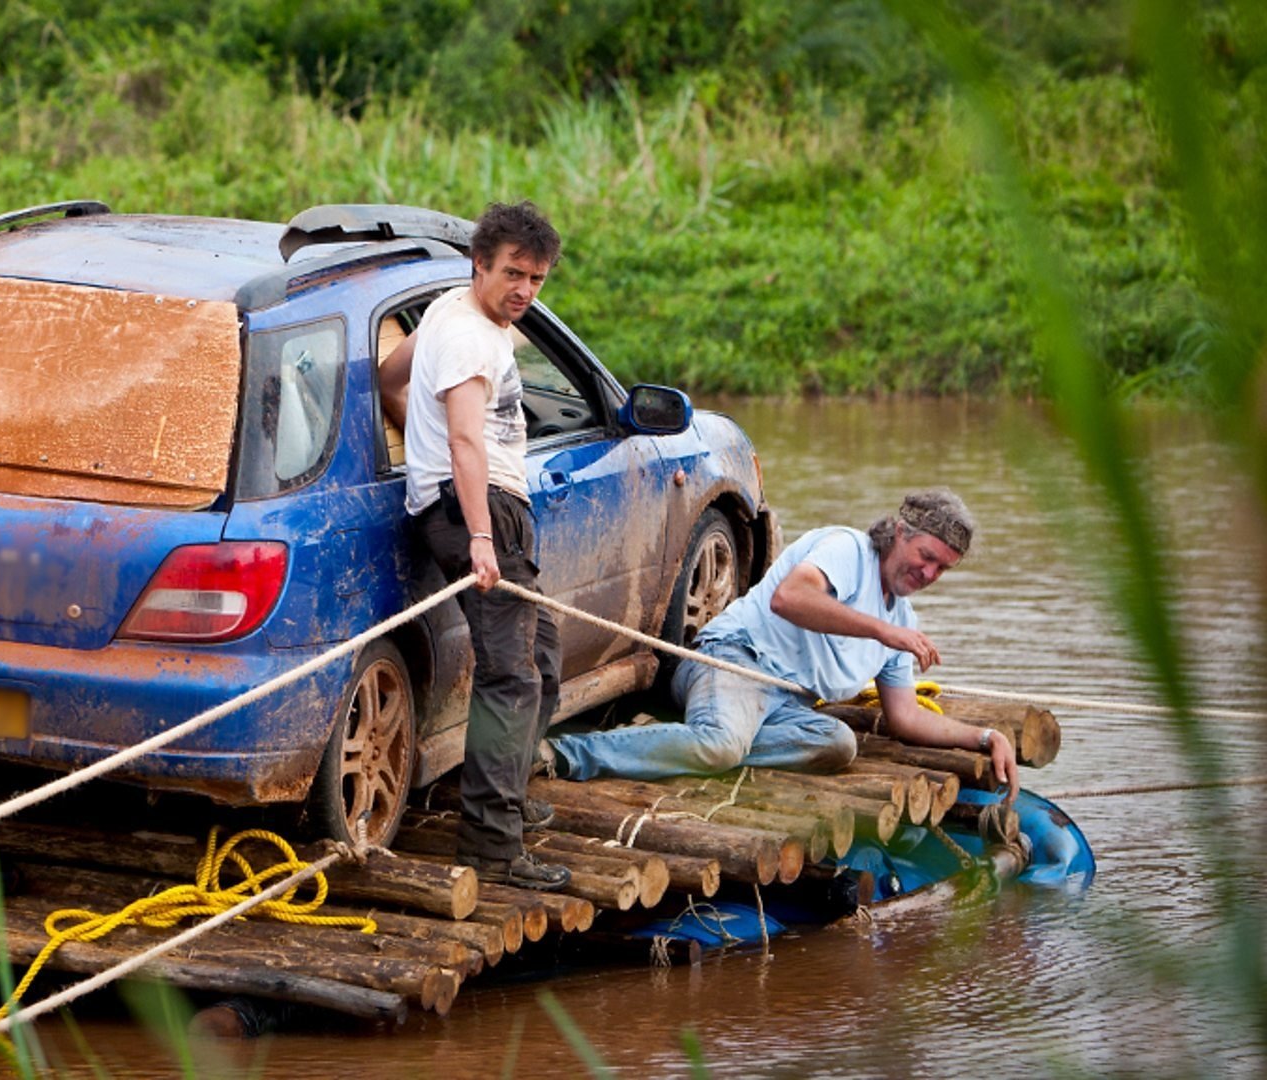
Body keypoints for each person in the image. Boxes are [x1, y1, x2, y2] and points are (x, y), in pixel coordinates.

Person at [543, 490, 1020, 799]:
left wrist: (984, 738)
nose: (930, 574)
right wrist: (882, 631)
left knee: (836, 744)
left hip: (786, 702)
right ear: (901, 534)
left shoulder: (902, 619)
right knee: (721, 744)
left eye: (943, 569)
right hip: (733, 659)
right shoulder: (849, 549)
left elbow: (906, 717)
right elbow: (789, 598)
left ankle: (689, 740)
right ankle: (566, 756)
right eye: (927, 557)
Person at [401, 201, 571, 892]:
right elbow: (467, 439)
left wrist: (420, 448)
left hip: (468, 499)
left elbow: (392, 379)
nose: (525, 290)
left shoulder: (448, 310)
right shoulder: (472, 338)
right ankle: (493, 848)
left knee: (543, 655)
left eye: (537, 277)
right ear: (480, 264)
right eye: (513, 274)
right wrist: (478, 534)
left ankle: (505, 793)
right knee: (511, 676)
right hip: (482, 508)